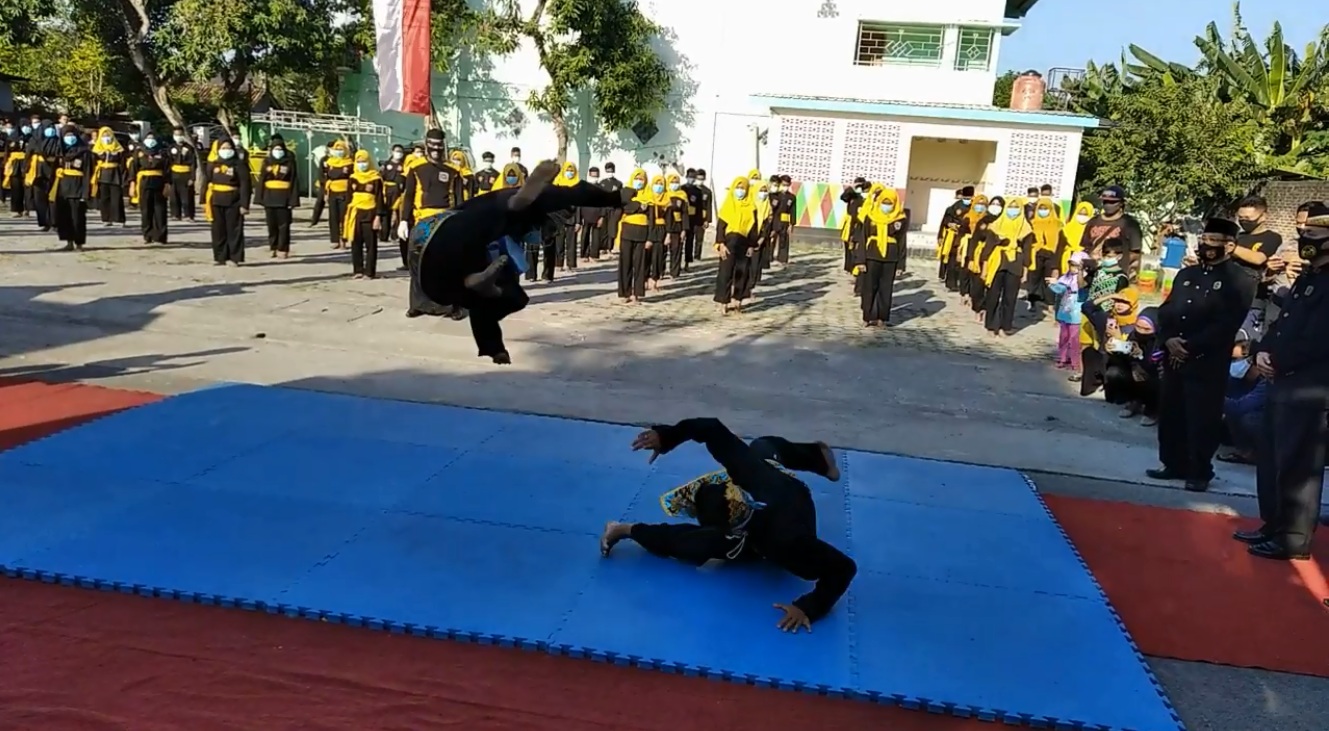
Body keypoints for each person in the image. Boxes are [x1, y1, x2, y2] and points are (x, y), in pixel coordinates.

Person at [600, 417, 856, 633]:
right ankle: (624, 529)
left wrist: (808, 607)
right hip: (757, 498)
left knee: (764, 449)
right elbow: (710, 428)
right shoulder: (742, 474)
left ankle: (818, 457)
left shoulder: (791, 541)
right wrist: (666, 436)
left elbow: (844, 568)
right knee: (760, 449)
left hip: (786, 500)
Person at [413, 160, 623, 364]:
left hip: (428, 256)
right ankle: (476, 283)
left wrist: (495, 350)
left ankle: (488, 329)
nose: (545, 237)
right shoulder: (519, 204)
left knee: (513, 296)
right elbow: (519, 202)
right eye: (549, 230)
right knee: (489, 249)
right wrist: (615, 198)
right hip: (447, 231)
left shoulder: (503, 231)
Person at [1239, 203, 1329, 560]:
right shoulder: (1309, 277)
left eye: (1315, 236)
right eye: (1304, 234)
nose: (1306, 241)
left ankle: (1293, 537)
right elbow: (1285, 322)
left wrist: (1279, 359)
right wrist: (1264, 351)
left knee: (1299, 466)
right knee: (1274, 458)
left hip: (1310, 386)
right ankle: (1273, 524)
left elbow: (1320, 337)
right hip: (1282, 379)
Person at [1148, 217, 1250, 492]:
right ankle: (1173, 463)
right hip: (1174, 356)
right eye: (1204, 240)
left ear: (1229, 246)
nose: (1207, 246)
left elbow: (1227, 323)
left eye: (1214, 242)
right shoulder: (1187, 275)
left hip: (1206, 360)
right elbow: (1168, 310)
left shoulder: (1239, 280)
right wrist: (1168, 338)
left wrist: (1190, 346)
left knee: (1201, 417)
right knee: (1171, 413)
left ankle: (1199, 470)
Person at [853, 187, 907, 327]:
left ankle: (882, 317)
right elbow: (863, 238)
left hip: (891, 258)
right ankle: (867, 316)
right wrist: (861, 260)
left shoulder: (900, 219)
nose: (887, 206)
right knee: (869, 287)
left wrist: (901, 265)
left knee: (885, 289)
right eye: (885, 202)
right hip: (872, 255)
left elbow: (902, 242)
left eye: (890, 204)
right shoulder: (870, 216)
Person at [202, 137, 252, 266]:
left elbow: (245, 185)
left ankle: (234, 257)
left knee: (234, 230)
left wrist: (244, 204)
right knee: (218, 230)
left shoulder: (239, 164)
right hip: (216, 200)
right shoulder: (213, 164)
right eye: (223, 148)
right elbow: (207, 181)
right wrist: (203, 199)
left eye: (229, 148)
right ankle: (220, 257)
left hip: (233, 200)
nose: (226, 150)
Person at [713, 176, 759, 314]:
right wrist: (720, 244)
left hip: (744, 242)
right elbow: (720, 226)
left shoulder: (751, 207)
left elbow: (754, 228)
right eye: (738, 188)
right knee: (725, 273)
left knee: (742, 272)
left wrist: (752, 245)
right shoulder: (728, 204)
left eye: (743, 188)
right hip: (729, 242)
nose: (740, 191)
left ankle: (738, 300)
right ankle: (723, 302)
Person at [1078, 185, 1144, 279]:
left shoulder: (1130, 224)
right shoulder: (1093, 221)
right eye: (1105, 201)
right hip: (1093, 274)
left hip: (1116, 274)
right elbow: (1086, 248)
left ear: (1121, 203)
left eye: (1112, 202)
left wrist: (1129, 274)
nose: (1108, 204)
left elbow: (1135, 254)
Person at [343, 149, 386, 279]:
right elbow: (348, 198)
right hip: (355, 214)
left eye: (364, 162)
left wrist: (378, 217)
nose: (362, 164)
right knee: (356, 243)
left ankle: (370, 272)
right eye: (359, 162)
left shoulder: (376, 179)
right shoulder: (352, 178)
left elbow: (379, 199)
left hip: (370, 213)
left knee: (370, 245)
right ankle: (358, 270)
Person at [256, 134, 300, 259]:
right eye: (275, 149)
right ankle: (273, 246)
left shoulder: (289, 162)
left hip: (284, 197)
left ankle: (283, 248)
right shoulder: (266, 162)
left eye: (280, 149)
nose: (278, 152)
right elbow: (261, 180)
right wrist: (259, 198)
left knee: (284, 225)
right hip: (269, 197)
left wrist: (293, 200)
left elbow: (294, 181)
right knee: (271, 225)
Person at [50, 124, 93, 251]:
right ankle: (68, 242)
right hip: (63, 189)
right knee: (64, 217)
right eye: (67, 136)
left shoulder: (84, 153)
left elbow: (88, 174)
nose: (70, 138)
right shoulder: (60, 152)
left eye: (72, 135)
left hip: (77, 188)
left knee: (78, 217)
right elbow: (53, 173)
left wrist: (85, 193)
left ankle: (79, 242)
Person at [126, 129, 170, 244]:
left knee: (160, 211)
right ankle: (147, 235)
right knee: (146, 210)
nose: (150, 141)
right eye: (148, 139)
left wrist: (167, 184)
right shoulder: (139, 152)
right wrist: (132, 184)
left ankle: (160, 236)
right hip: (144, 182)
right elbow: (133, 169)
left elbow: (167, 170)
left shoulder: (162, 153)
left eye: (153, 139)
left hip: (159, 183)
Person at [91, 127, 126, 226]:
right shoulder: (96, 149)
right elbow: (92, 163)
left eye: (108, 135)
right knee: (104, 197)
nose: (106, 137)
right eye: (104, 135)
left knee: (116, 197)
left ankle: (118, 219)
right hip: (102, 174)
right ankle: (106, 219)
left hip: (115, 174)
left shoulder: (119, 149)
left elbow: (123, 163)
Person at [167, 126, 198, 221]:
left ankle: (188, 215)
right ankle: (175, 214)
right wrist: (167, 178)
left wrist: (192, 178)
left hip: (186, 174)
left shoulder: (189, 148)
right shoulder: (171, 147)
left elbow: (193, 164)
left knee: (187, 196)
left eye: (180, 135)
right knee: (174, 196)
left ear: (183, 135)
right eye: (176, 134)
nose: (178, 136)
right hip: (174, 174)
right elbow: (168, 163)